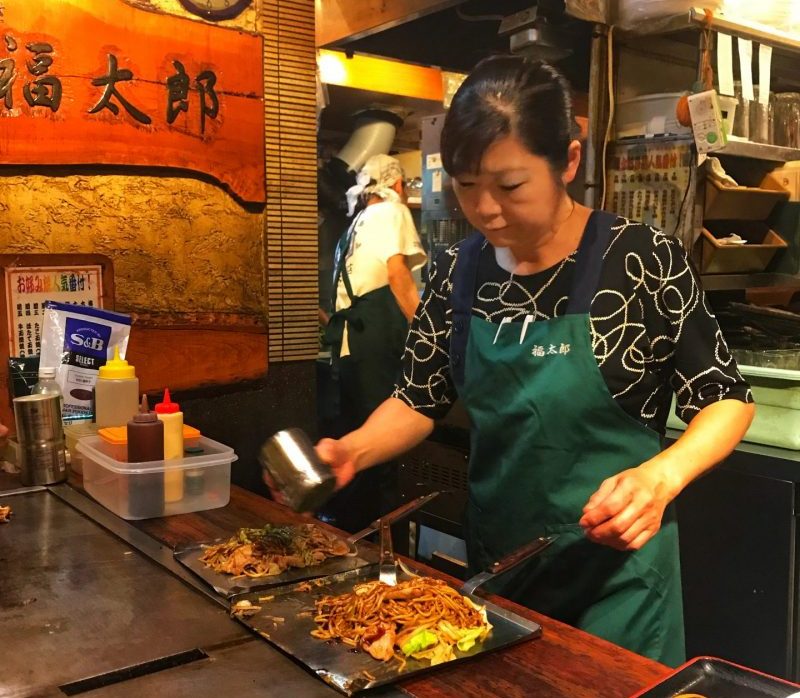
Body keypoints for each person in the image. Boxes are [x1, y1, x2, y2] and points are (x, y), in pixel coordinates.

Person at [312, 56, 754, 666]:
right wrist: (351, 451)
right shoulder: (456, 271)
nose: (486, 208)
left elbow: (726, 397)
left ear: (569, 161)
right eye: (467, 185)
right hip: (499, 573)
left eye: (510, 185)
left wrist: (661, 478)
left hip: (619, 581)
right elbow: (419, 397)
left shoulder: (640, 259)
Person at [320, 153, 427, 532]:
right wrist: (426, 331)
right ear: (396, 185)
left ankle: (351, 529)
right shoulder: (393, 213)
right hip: (375, 339)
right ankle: (386, 539)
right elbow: (398, 274)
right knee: (384, 448)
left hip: (349, 345)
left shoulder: (354, 225)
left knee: (357, 432)